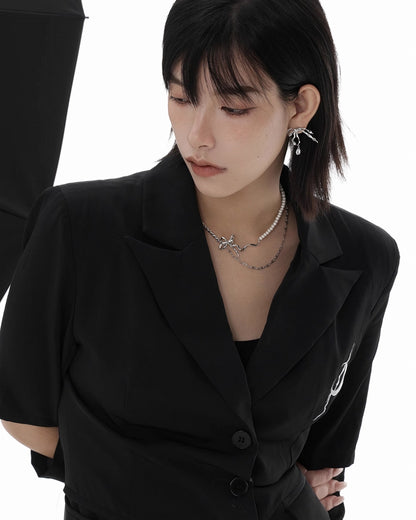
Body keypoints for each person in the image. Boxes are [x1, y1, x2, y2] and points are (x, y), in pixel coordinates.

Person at [0, 1, 399, 519]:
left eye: (233, 107)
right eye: (181, 97)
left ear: (300, 107)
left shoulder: (365, 256)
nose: (197, 135)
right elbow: (25, 414)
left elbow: (323, 458)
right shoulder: (79, 226)